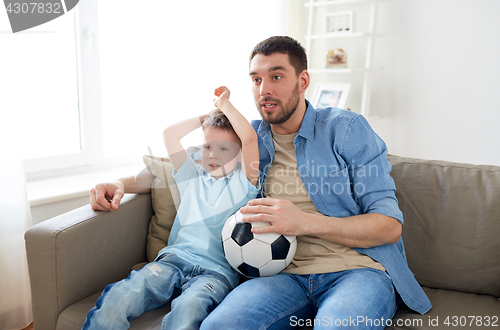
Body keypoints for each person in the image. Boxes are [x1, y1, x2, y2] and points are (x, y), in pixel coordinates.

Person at [198, 36, 432, 329]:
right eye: (256, 79)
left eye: (276, 76)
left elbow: (389, 227)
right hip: (279, 276)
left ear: (303, 80)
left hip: (356, 272)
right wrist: (126, 183)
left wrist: (303, 222)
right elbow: (192, 168)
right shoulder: (249, 139)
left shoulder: (346, 130)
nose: (264, 90)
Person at [83, 86, 260, 330]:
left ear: (240, 154)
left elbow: (250, 138)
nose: (213, 155)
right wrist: (207, 117)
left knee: (188, 312)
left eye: (224, 148)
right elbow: (169, 134)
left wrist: (225, 105)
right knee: (119, 297)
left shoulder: (244, 183)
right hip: (172, 261)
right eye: (208, 146)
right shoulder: (192, 176)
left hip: (215, 274)